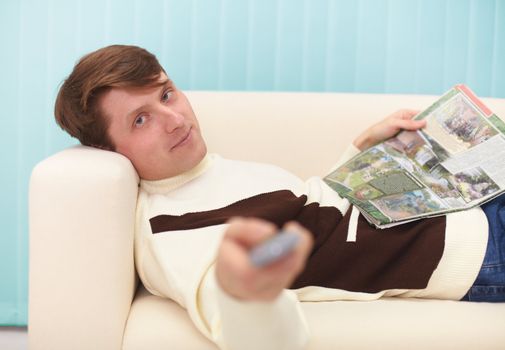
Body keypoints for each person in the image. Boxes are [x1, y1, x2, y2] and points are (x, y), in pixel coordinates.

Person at [54, 45, 505, 350]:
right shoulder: (174, 231)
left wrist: (364, 147)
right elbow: (259, 328)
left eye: (167, 93)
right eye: (140, 120)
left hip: (460, 205)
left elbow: (315, 212)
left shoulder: (206, 172)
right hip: (479, 251)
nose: (174, 118)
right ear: (107, 151)